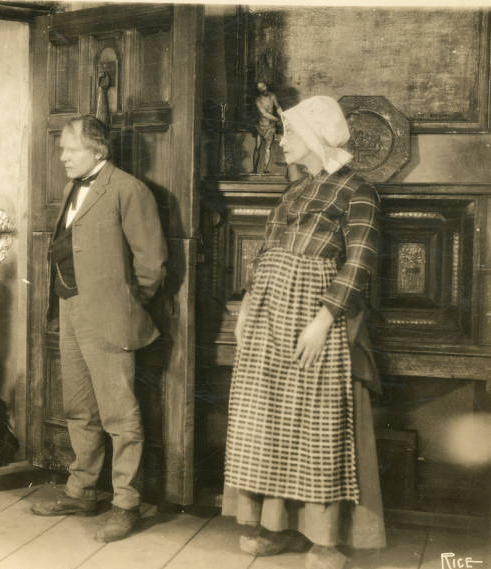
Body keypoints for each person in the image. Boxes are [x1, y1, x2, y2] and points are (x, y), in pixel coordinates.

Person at [223, 96, 385, 569]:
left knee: (318, 425)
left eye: (289, 132)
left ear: (314, 137)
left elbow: (358, 264)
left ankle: (326, 541)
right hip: (270, 313)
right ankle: (276, 529)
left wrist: (323, 320)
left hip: (315, 316)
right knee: (267, 422)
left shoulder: (358, 191)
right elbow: (267, 252)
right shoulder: (295, 191)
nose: (281, 139)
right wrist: (248, 307)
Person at [31, 116, 167, 543]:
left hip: (109, 317)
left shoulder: (128, 189)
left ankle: (126, 503)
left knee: (119, 416)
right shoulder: (75, 187)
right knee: (79, 408)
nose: (62, 156)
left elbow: (152, 265)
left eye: (70, 149)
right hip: (71, 311)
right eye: (62, 149)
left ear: (98, 150)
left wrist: (123, 305)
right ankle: (82, 489)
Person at [253, 81, 283, 174]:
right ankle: (254, 169)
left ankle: (265, 169)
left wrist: (283, 116)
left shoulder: (272, 96)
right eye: (260, 88)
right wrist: (277, 119)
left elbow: (277, 107)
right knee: (257, 147)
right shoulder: (257, 100)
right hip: (261, 126)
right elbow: (264, 113)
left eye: (263, 86)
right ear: (258, 90)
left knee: (267, 148)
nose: (263, 89)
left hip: (271, 126)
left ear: (266, 86)